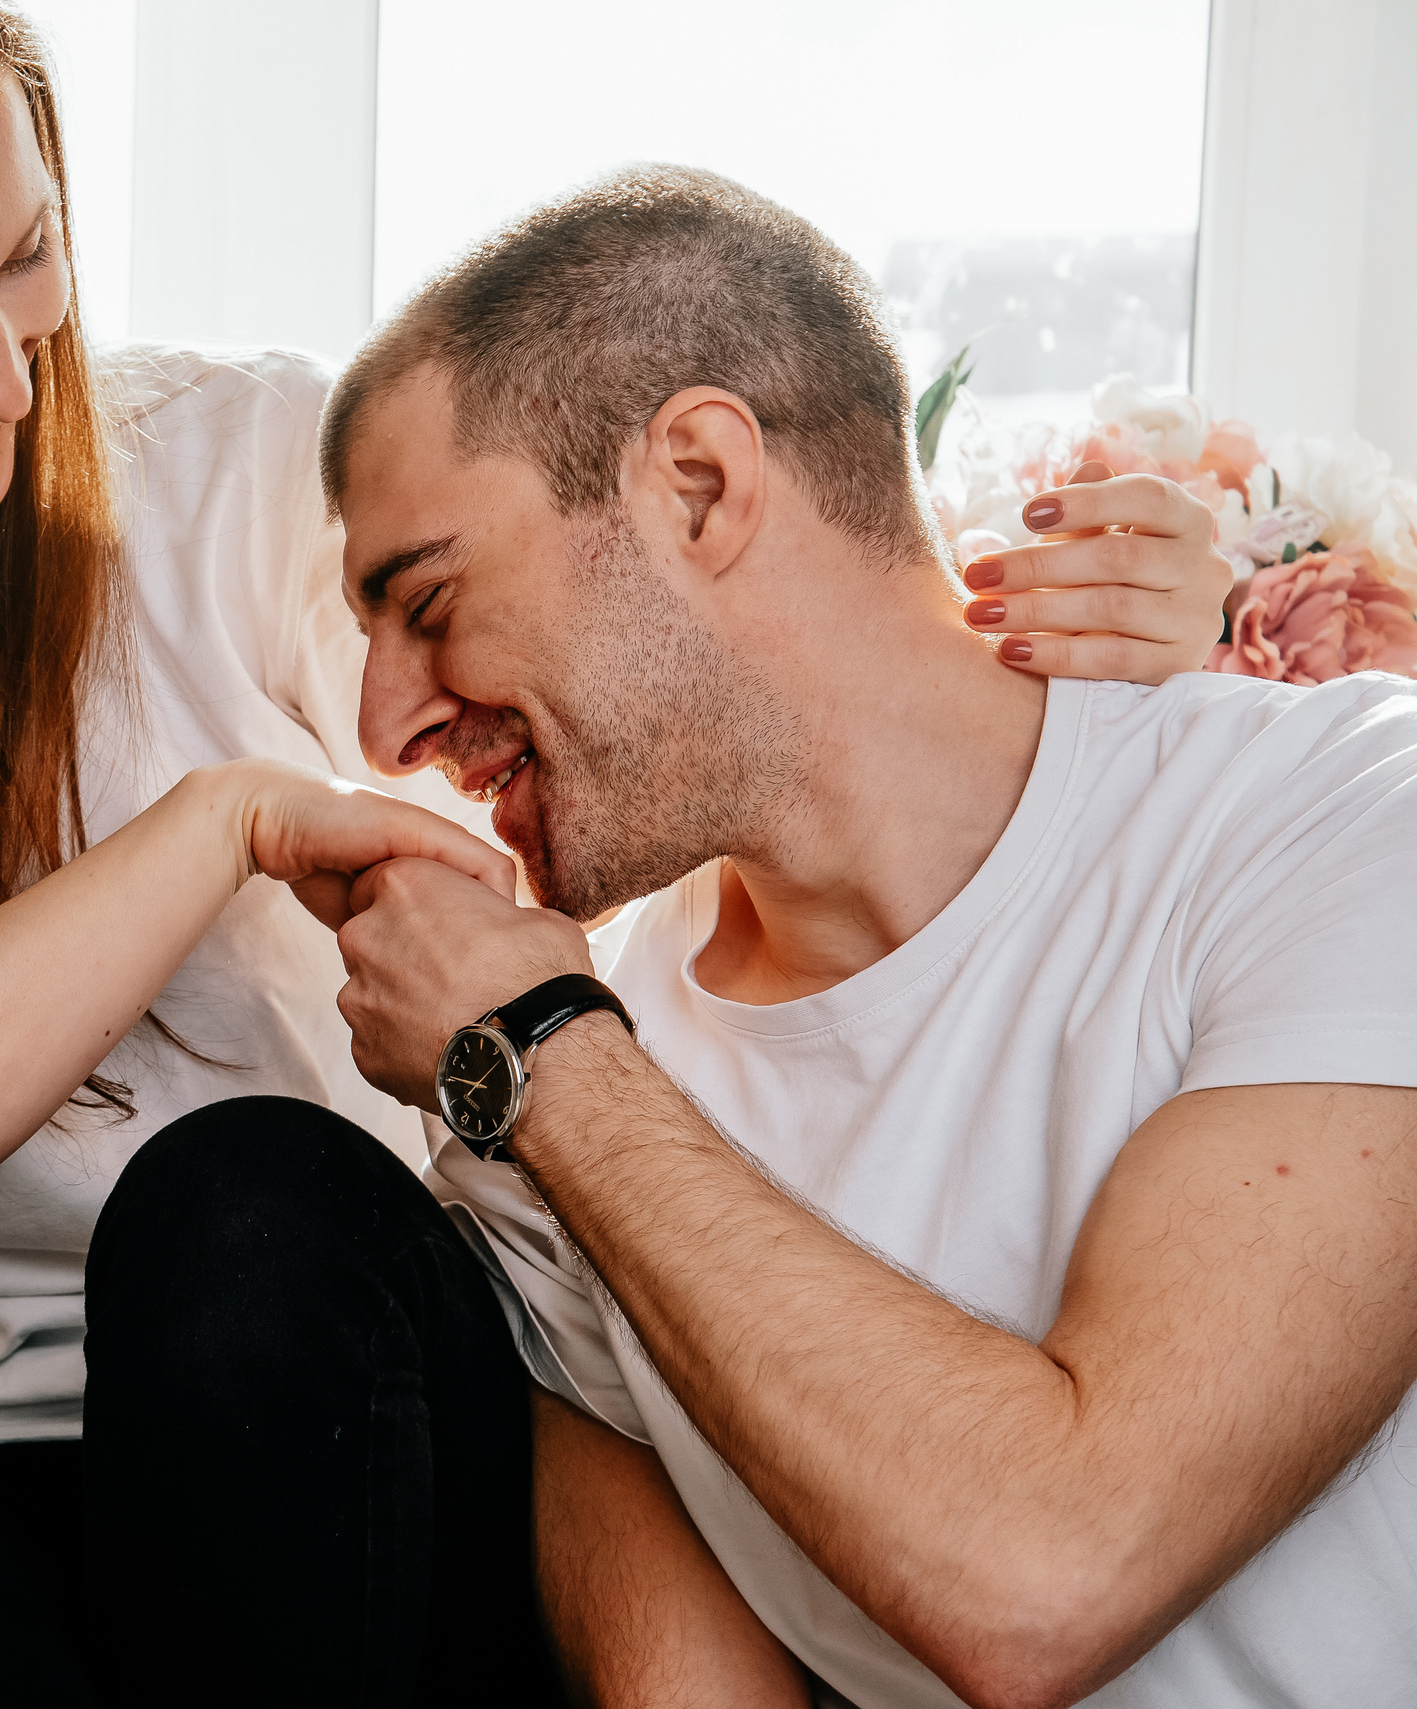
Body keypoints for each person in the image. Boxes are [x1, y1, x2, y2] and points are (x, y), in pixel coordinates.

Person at [0, 3, 1236, 1699]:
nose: (9, 388)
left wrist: (1108, 597)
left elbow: (675, 624)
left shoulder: (230, 460)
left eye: (26, 261)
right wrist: (221, 827)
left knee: (241, 1204)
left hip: (344, 1378)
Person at [318, 165, 1417, 1707]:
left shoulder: (1351, 813)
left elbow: (1056, 1569)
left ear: (696, 483)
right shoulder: (553, 1068)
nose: (387, 722)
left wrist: (546, 1058)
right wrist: (541, 1062)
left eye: (428, 599)